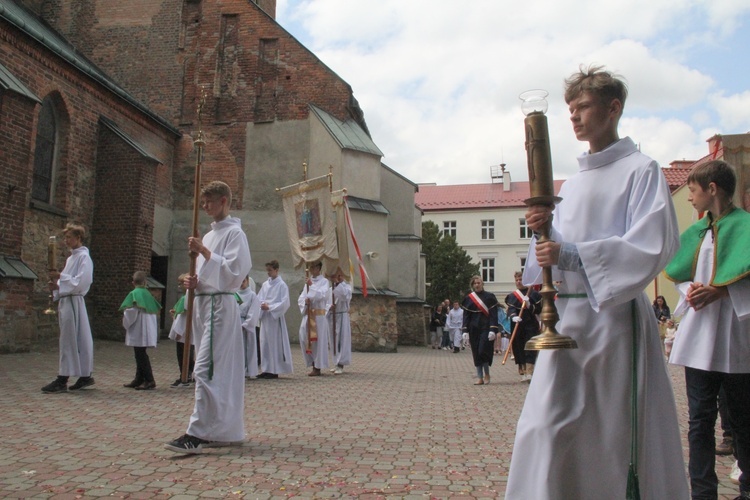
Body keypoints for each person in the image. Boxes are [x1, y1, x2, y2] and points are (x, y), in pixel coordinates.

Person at [505, 65, 688, 499]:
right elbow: (554, 258)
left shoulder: (642, 170)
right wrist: (542, 231)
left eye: (583, 106)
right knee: (546, 425)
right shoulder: (574, 181)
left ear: (613, 108)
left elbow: (650, 246)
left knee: (608, 433)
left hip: (614, 321)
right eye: (570, 109)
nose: (573, 116)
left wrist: (569, 252)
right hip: (566, 320)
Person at [665, 159, 750, 500]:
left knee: (744, 421)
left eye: (694, 190)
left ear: (712, 189)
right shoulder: (696, 231)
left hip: (736, 337)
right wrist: (692, 291)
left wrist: (723, 290)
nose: (690, 198)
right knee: (700, 422)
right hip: (700, 338)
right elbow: (680, 273)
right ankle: (702, 492)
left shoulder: (746, 227)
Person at [165, 181, 252, 454]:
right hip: (203, 306)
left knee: (204, 369)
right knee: (217, 372)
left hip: (219, 308)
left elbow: (235, 274)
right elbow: (209, 275)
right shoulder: (211, 235)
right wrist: (195, 281)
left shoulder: (235, 234)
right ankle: (223, 430)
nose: (205, 207)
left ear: (224, 201)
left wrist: (204, 252)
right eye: (203, 202)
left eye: (210, 201)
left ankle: (196, 433)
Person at [42, 223, 95, 393]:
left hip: (74, 302)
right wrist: (57, 286)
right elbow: (68, 280)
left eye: (69, 237)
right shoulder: (71, 258)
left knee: (70, 340)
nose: (66, 241)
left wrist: (60, 277)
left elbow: (82, 281)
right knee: (77, 339)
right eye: (65, 238)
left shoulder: (84, 258)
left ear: (78, 238)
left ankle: (62, 378)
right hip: (67, 300)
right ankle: (85, 375)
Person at [120, 271, 161, 390]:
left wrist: (125, 323)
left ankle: (149, 380)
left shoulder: (134, 294)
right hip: (147, 328)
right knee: (139, 354)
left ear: (133, 282)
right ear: (145, 282)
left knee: (141, 355)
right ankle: (139, 379)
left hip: (138, 329)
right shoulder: (148, 294)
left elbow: (131, 312)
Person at [257, 260, 293, 379]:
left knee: (273, 343)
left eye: (270, 270)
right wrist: (261, 305)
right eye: (267, 270)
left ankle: (274, 370)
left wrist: (270, 307)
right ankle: (266, 368)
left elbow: (285, 302)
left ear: (276, 270)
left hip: (274, 318)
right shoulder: (265, 285)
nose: (268, 273)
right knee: (264, 343)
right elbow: (259, 298)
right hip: (265, 317)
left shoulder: (282, 285)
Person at [460, 275, 499, 385]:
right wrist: (465, 331)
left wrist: (493, 328)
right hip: (473, 328)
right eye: (475, 283)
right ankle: (480, 377)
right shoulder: (469, 299)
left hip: (486, 327)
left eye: (479, 283)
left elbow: (493, 314)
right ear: (472, 285)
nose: (477, 285)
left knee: (483, 350)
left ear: (482, 283)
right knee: (476, 352)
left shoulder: (489, 297)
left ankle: (487, 373)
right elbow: (466, 316)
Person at [505, 271, 542, 381]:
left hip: (530, 324)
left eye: (520, 279)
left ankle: (530, 370)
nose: (518, 282)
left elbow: (538, 309)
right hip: (518, 324)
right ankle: (524, 369)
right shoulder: (512, 296)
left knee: (530, 346)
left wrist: (530, 305)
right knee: (519, 346)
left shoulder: (534, 294)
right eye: (516, 280)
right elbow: (511, 309)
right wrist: (513, 316)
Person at [298, 261, 332, 376]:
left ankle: (317, 367)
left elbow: (322, 295)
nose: (312, 269)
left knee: (317, 342)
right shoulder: (307, 283)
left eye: (313, 267)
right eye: (310, 267)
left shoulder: (324, 282)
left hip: (318, 317)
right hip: (308, 314)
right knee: (304, 337)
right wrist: (305, 301)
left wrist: (311, 285)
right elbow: (302, 297)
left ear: (319, 268)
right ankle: (311, 361)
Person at [167, 273, 195, 388]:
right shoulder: (188, 296)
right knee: (187, 354)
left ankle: (185, 375)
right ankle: (188, 374)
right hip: (187, 332)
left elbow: (183, 317)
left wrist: (178, 332)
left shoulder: (187, 298)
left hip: (183, 333)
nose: (179, 286)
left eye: (181, 284)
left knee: (183, 355)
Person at [328, 268, 352, 374]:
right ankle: (335, 362)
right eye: (336, 276)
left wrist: (338, 283)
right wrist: (329, 307)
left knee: (341, 340)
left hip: (341, 316)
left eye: (340, 275)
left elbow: (343, 296)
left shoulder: (347, 287)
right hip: (333, 316)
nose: (338, 277)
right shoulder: (330, 289)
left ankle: (341, 364)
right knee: (334, 340)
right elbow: (326, 302)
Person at [237, 275, 261, 379]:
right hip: (236, 324)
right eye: (240, 281)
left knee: (248, 348)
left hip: (246, 325)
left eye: (244, 281)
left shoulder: (252, 295)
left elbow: (253, 311)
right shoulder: (235, 294)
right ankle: (238, 370)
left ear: (247, 281)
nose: (242, 283)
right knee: (238, 349)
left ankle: (248, 370)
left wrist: (246, 324)